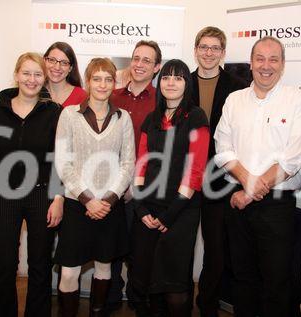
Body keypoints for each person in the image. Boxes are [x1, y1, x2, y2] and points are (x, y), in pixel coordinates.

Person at [213, 36, 301, 316]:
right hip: (237, 202)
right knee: (242, 277)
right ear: (251, 63)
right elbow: (223, 149)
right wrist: (248, 185)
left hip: (277, 205)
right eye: (260, 59)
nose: (266, 66)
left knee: (276, 281)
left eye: (273, 59)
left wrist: (250, 191)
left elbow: (292, 158)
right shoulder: (235, 100)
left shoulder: (298, 100)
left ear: (282, 64)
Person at [0, 52, 63, 317]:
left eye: (38, 74)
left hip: (41, 195)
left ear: (44, 78)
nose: (32, 79)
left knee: (39, 264)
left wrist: (58, 198)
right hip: (3, 195)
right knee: (4, 264)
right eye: (26, 73)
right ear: (16, 75)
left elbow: (59, 159)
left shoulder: (54, 112)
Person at [54, 57, 135, 317]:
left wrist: (108, 200)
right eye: (97, 78)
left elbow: (128, 163)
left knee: (104, 268)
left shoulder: (123, 119)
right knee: (69, 272)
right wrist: (88, 199)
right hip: (78, 206)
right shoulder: (69, 115)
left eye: (108, 79)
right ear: (87, 81)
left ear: (114, 83)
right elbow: (63, 163)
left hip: (110, 207)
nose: (102, 84)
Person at [129, 59, 210, 317]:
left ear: (187, 83)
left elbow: (195, 171)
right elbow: (140, 167)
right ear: (159, 82)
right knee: (146, 282)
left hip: (181, 211)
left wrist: (170, 215)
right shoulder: (151, 119)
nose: (171, 83)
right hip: (148, 209)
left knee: (174, 285)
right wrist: (140, 207)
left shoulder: (196, 117)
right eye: (166, 77)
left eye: (178, 78)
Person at [190, 26, 248, 317]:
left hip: (221, 180)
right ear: (196, 50)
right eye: (204, 47)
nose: (209, 53)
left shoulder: (239, 87)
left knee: (215, 250)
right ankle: (178, 300)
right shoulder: (182, 83)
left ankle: (208, 306)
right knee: (182, 246)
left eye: (215, 48)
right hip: (185, 180)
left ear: (223, 52)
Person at [107, 40, 162, 312]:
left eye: (147, 60)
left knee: (141, 253)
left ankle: (139, 302)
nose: (139, 64)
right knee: (112, 248)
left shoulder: (162, 101)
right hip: (111, 186)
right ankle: (111, 299)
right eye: (136, 58)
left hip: (145, 188)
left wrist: (136, 184)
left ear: (157, 68)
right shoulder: (112, 97)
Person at [44, 41, 87, 107]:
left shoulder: (81, 97)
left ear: (70, 68)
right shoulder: (35, 92)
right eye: (52, 60)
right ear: (44, 61)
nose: (57, 67)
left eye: (64, 63)